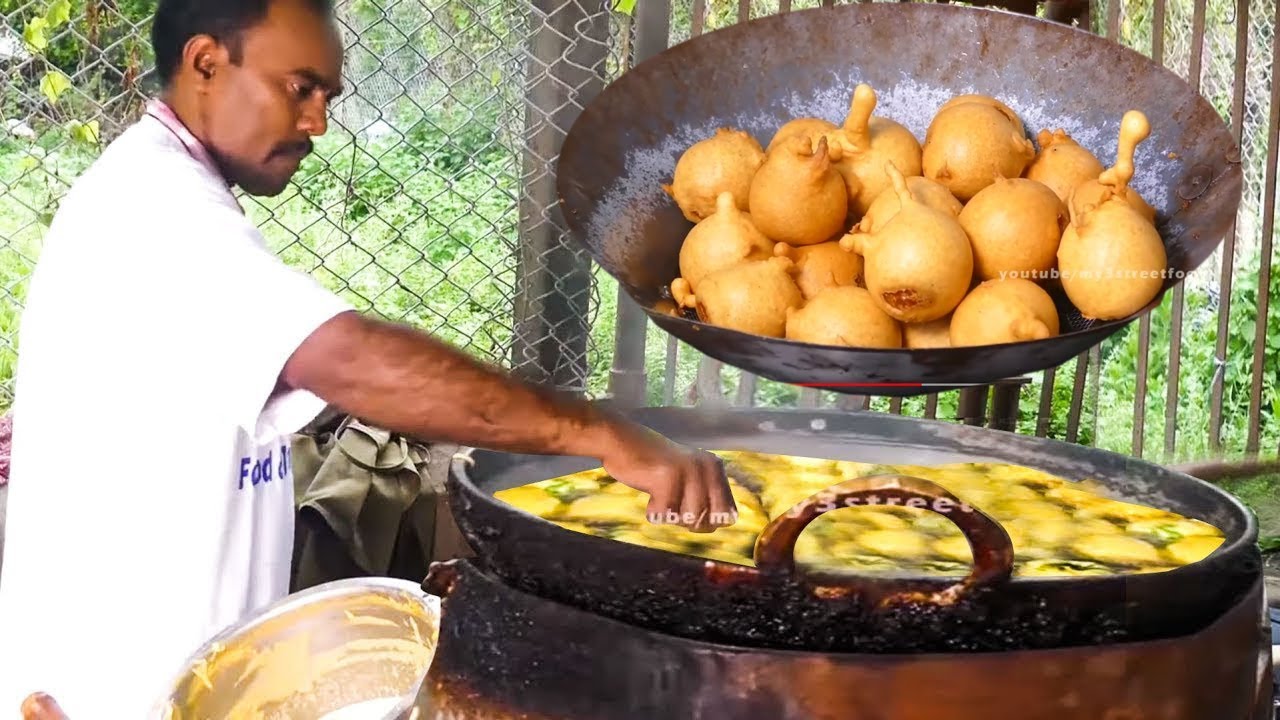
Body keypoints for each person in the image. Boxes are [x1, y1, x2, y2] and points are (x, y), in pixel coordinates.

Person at [0, 0, 737, 716]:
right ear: (205, 63)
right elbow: (349, 357)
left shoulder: (178, 195)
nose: (318, 121)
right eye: (300, 88)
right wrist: (602, 436)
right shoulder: (152, 212)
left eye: (328, 95)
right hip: (106, 695)